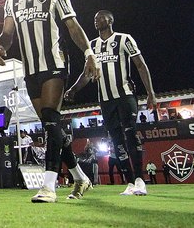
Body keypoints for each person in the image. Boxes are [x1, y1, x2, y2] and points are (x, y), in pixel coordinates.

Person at [0, 0, 99, 203]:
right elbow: (7, 32)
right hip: (30, 69)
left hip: (54, 64)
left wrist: (89, 54)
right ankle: (80, 176)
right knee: (52, 128)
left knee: (51, 120)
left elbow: (72, 25)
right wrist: (0, 48)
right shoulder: (12, 0)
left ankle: (49, 185)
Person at [65, 10, 156, 196]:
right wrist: (73, 89)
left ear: (110, 20)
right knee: (116, 141)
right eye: (94, 18)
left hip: (125, 96)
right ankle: (130, 182)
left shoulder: (124, 39)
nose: (96, 20)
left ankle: (140, 180)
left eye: (100, 17)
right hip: (105, 100)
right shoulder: (92, 46)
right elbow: (87, 73)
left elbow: (140, 64)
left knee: (131, 133)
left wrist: (150, 93)